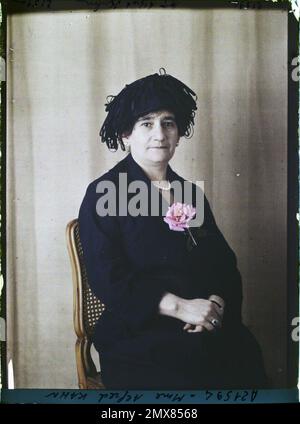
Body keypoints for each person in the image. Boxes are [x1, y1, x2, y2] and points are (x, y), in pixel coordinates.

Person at [78, 69, 267, 390]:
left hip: (200, 324)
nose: (159, 134)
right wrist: (182, 309)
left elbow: (222, 263)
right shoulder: (105, 193)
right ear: (126, 134)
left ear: (179, 132)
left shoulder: (189, 193)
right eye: (146, 123)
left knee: (243, 353)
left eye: (168, 122)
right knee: (190, 369)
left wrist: (215, 307)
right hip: (141, 333)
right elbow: (108, 278)